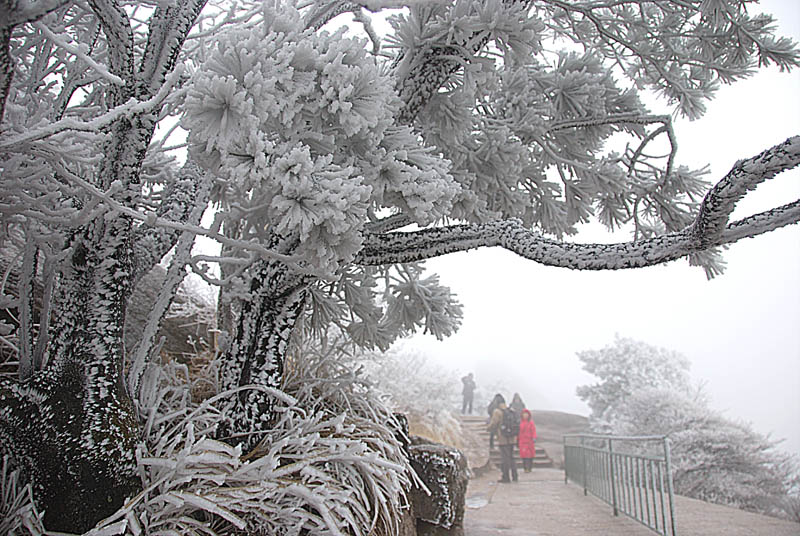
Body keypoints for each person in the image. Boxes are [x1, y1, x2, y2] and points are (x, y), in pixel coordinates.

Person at [488, 394, 518, 483]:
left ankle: (506, 477)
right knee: (512, 457)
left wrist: (488, 428)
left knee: (505, 458)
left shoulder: (497, 411)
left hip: (503, 438)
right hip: (512, 438)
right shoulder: (510, 410)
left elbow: (494, 423)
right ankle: (515, 476)